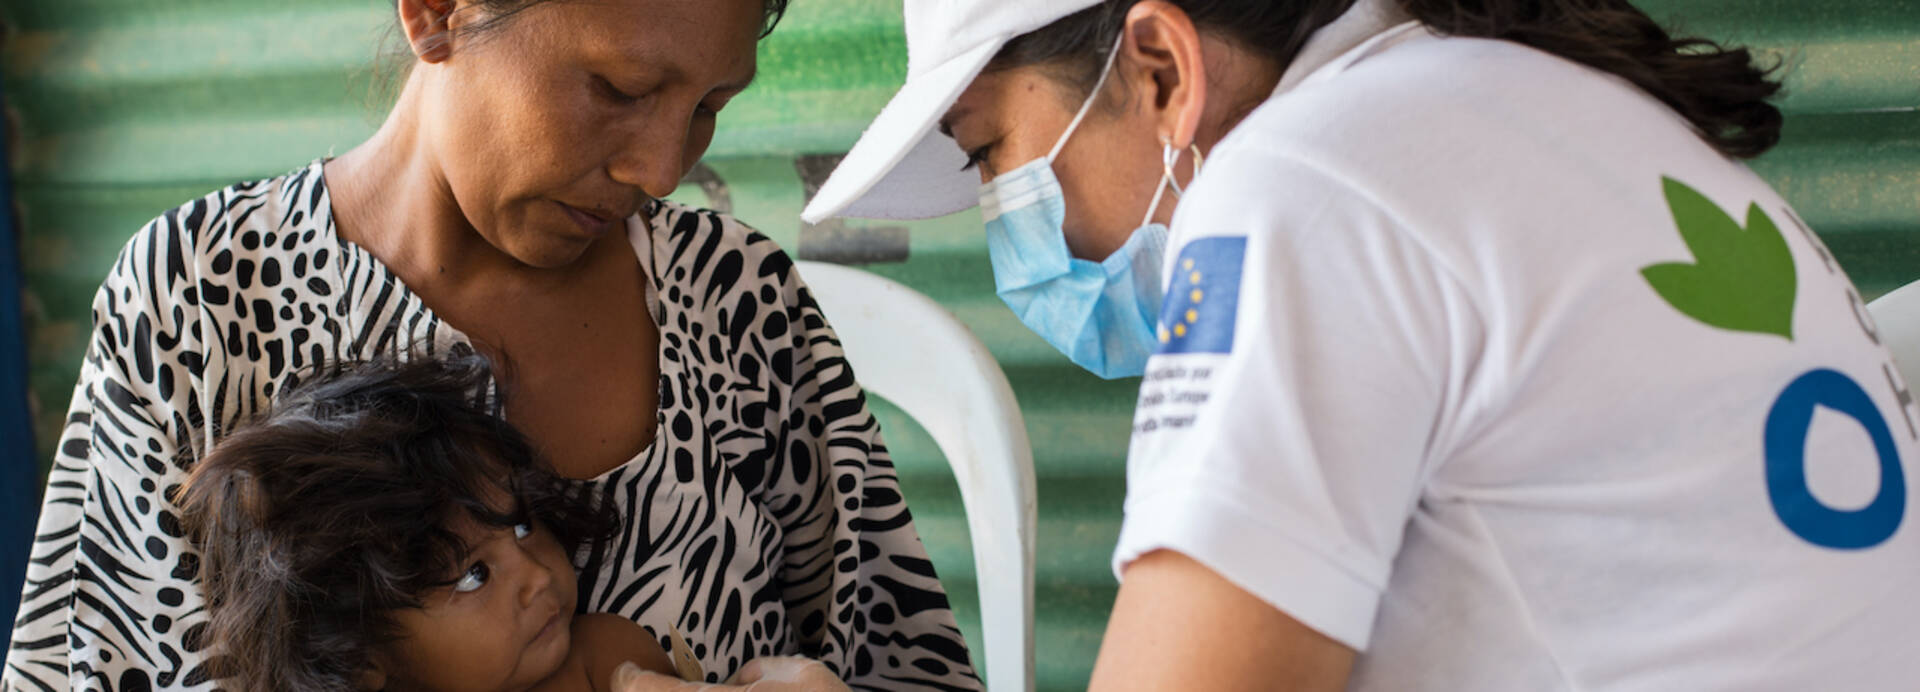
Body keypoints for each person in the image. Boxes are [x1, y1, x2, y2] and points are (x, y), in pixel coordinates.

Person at [802, 0, 1920, 689]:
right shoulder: (1548, 100)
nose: (1008, 219)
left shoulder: (1297, 188)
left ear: (1158, 67)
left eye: (993, 152)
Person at [3, 0, 980, 689]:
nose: (660, 168)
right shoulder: (200, 298)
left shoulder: (741, 300)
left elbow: (902, 659)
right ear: (436, 11)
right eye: (619, 85)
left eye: (709, 107)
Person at [179, 353, 681, 691]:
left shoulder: (603, 663)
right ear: (361, 655)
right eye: (473, 575)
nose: (537, 576)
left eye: (524, 525)